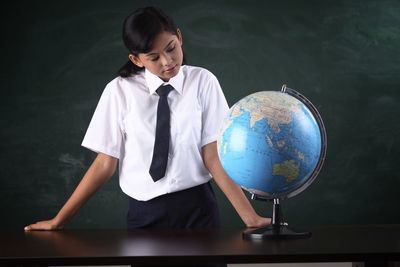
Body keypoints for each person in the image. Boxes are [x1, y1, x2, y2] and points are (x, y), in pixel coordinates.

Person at [25, 6, 269, 235]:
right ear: (137, 60)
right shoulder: (119, 91)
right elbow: (104, 163)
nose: (168, 61)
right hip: (145, 215)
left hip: (198, 211)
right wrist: (60, 220)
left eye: (171, 48)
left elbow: (213, 155)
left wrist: (250, 217)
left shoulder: (203, 82)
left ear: (180, 37)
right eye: (154, 57)